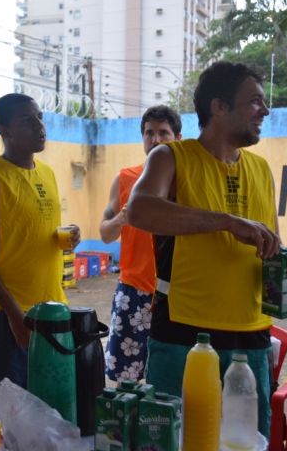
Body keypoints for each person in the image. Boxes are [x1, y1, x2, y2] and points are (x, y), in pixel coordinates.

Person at [128, 61, 281, 437]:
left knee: (246, 442)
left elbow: (268, 248)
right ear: (219, 107)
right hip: (185, 333)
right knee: (176, 440)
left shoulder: (262, 169)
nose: (265, 110)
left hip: (252, 337)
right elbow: (140, 209)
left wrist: (283, 263)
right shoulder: (170, 158)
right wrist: (227, 221)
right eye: (255, 101)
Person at [0, 93, 80, 420]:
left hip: (49, 311)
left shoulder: (46, 172)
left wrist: (66, 236)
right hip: (4, 313)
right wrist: (15, 315)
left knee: (39, 413)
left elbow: (30, 233)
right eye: (27, 121)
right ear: (4, 128)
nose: (40, 127)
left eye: (40, 117)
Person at [100, 105, 182, 382]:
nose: (156, 140)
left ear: (178, 138)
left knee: (170, 377)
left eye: (163, 133)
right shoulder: (125, 179)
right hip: (133, 291)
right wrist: (122, 218)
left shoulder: (189, 180)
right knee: (127, 379)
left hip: (177, 293)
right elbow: (105, 234)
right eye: (149, 133)